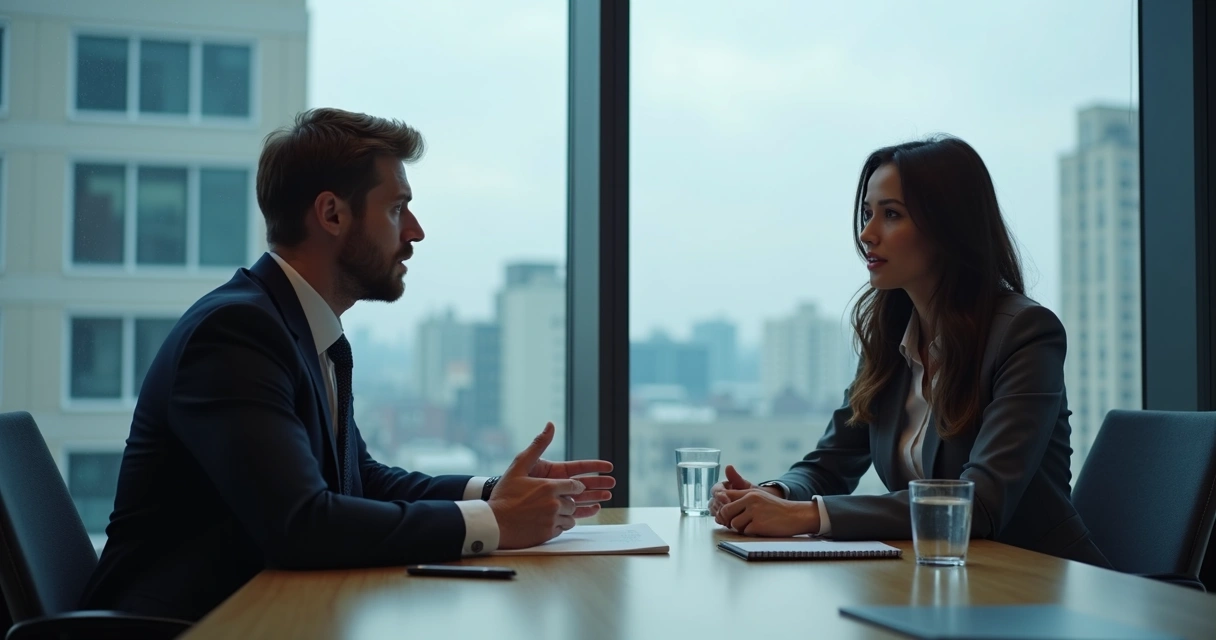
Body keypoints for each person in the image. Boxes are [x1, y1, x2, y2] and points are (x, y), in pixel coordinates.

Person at [78, 108, 616, 621]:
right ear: (332, 214)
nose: (416, 232)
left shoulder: (298, 328)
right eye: (397, 208)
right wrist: (494, 523)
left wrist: (494, 492)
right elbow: (302, 524)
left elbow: (362, 481)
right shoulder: (235, 335)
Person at [709, 136, 1109, 567]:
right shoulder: (891, 338)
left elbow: (979, 504)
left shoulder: (1025, 333)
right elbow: (832, 462)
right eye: (867, 214)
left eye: (891, 215)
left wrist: (808, 515)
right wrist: (772, 495)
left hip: (1035, 583)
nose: (866, 234)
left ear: (949, 227)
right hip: (939, 580)